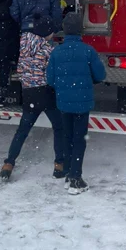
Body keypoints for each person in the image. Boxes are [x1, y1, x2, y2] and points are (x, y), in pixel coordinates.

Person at [0, 13, 64, 181]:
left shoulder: (24, 44)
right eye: (52, 32)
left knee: (22, 131)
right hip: (46, 93)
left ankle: (9, 163)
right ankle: (59, 164)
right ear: (46, 33)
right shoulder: (48, 50)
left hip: (28, 93)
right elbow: (54, 74)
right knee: (59, 127)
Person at [46, 12, 106, 194]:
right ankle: (75, 178)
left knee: (67, 137)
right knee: (79, 139)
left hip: (64, 103)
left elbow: (50, 79)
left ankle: (68, 173)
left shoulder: (56, 52)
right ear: (81, 30)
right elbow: (100, 75)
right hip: (82, 104)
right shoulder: (88, 51)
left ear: (64, 30)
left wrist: (63, 87)